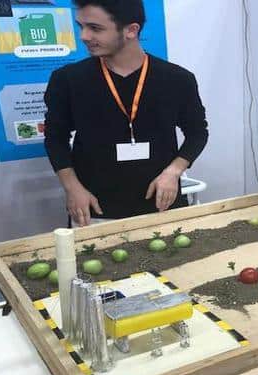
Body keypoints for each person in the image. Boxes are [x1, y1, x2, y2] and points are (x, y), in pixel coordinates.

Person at [44, 0, 209, 227]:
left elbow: (198, 132)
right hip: (95, 208)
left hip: (162, 205)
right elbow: (55, 138)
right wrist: (72, 188)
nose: (84, 36)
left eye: (95, 28)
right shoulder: (67, 80)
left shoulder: (177, 79)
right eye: (81, 26)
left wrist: (174, 172)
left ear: (131, 30)